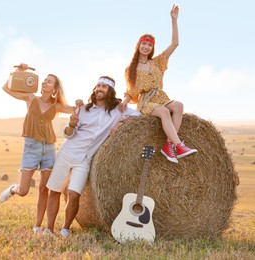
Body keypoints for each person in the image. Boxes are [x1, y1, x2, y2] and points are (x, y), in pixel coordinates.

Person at [45, 76, 140, 237]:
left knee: (74, 195)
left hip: (85, 159)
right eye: (98, 86)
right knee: (54, 190)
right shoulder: (83, 110)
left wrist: (120, 123)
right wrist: (72, 124)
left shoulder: (118, 110)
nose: (99, 89)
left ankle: (65, 228)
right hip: (68, 153)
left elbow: (139, 114)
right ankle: (48, 228)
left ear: (110, 91)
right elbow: (68, 135)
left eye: (103, 86)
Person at [0, 63, 81, 234]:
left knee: (44, 188)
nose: (44, 83)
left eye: (49, 82)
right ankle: (13, 188)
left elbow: (78, 110)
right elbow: (6, 88)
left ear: (55, 89)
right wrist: (19, 72)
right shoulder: (30, 97)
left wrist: (80, 104)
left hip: (49, 148)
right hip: (31, 147)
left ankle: (38, 226)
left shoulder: (57, 106)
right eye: (44, 80)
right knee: (24, 190)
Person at [120, 4, 197, 163]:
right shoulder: (131, 69)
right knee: (163, 111)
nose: (146, 47)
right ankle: (179, 145)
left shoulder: (157, 63)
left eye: (149, 45)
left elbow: (175, 44)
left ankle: (168, 145)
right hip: (146, 101)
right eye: (144, 43)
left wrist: (174, 20)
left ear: (152, 48)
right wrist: (124, 101)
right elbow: (131, 91)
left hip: (161, 96)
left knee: (179, 106)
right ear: (138, 45)